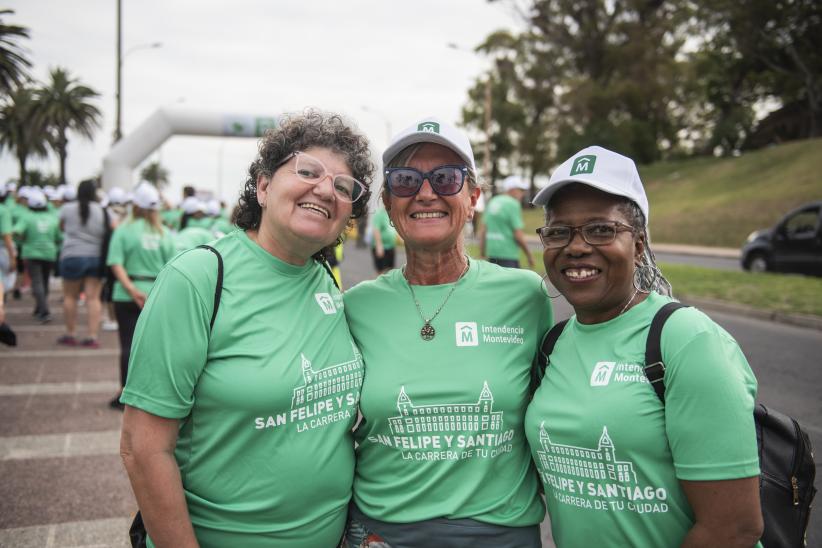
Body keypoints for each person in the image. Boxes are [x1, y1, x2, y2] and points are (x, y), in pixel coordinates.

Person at [119, 110, 374, 547]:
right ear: (263, 185)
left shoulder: (326, 282)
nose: (324, 189)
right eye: (307, 171)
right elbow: (142, 450)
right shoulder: (197, 278)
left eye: (342, 185)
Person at [525, 146, 763, 547]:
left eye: (601, 229)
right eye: (559, 231)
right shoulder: (553, 344)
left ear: (638, 245)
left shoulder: (686, 339)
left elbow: (734, 529)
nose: (576, 246)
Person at [343, 117, 553, 546]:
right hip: (383, 532)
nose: (424, 193)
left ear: (473, 196)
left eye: (445, 178)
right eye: (405, 180)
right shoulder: (357, 305)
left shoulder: (524, 296)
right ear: (387, 201)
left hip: (499, 531)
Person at [106, 183, 176, 409]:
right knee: (153, 345)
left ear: (134, 205)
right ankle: (150, 393)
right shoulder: (163, 232)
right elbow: (172, 265)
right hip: (155, 292)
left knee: (127, 343)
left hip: (126, 294)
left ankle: (124, 391)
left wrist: (132, 290)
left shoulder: (124, 230)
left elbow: (116, 263)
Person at [57, 179, 109, 348]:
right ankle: (92, 336)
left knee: (70, 297)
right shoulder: (103, 211)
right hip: (95, 258)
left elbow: (61, 227)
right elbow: (113, 227)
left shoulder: (67, 209)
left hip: (71, 255)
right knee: (93, 298)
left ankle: (70, 333)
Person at [13, 188, 62, 323]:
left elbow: (16, 231)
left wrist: (23, 240)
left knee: (37, 282)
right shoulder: (52, 218)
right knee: (44, 282)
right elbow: (59, 237)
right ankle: (40, 307)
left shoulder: (27, 217)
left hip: (32, 253)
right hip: (49, 253)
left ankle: (44, 310)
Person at [480, 175, 534, 269]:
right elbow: (518, 234)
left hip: (492, 253)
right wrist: (529, 255)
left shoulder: (493, 201)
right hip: (508, 255)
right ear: (512, 189)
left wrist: (482, 252)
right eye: (520, 190)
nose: (523, 194)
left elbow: (483, 229)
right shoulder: (513, 204)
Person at [370, 204, 397, 274]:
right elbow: (376, 230)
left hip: (391, 246)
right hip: (382, 247)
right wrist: (379, 246)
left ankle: (389, 285)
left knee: (390, 270)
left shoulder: (392, 214)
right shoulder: (380, 215)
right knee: (381, 271)